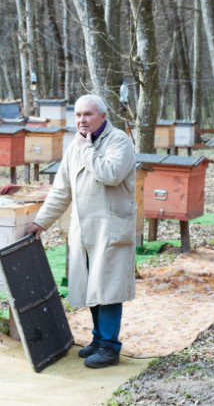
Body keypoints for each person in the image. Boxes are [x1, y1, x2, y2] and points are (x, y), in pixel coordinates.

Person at [25, 94, 137, 369]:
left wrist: (86, 149)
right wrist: (41, 222)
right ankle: (99, 340)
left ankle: (110, 347)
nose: (82, 120)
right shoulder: (75, 145)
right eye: (77, 115)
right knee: (92, 287)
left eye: (87, 114)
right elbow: (62, 190)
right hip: (84, 229)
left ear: (103, 116)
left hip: (110, 229)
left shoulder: (119, 141)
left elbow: (110, 173)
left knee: (108, 288)